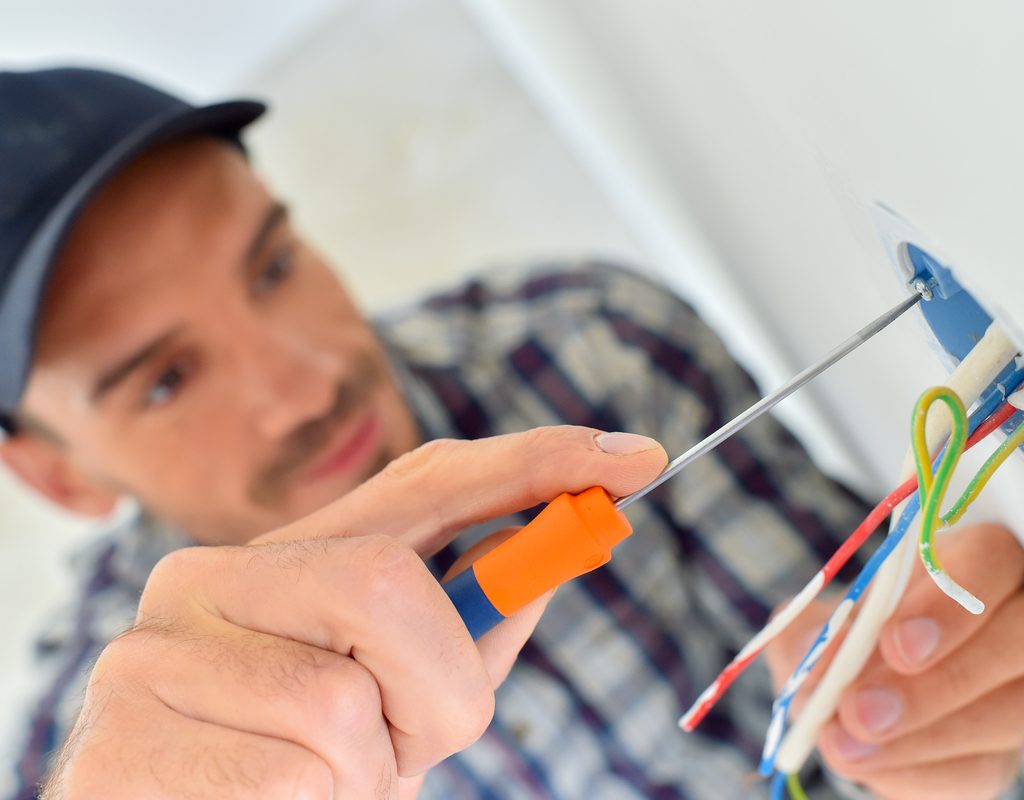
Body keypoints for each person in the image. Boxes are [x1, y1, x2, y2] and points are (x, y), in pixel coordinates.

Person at [1, 67, 1022, 800]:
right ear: (54, 473)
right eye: (167, 379)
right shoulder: (91, 752)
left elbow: (873, 667)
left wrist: (933, 721)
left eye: (271, 266)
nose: (306, 385)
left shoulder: (595, 350)